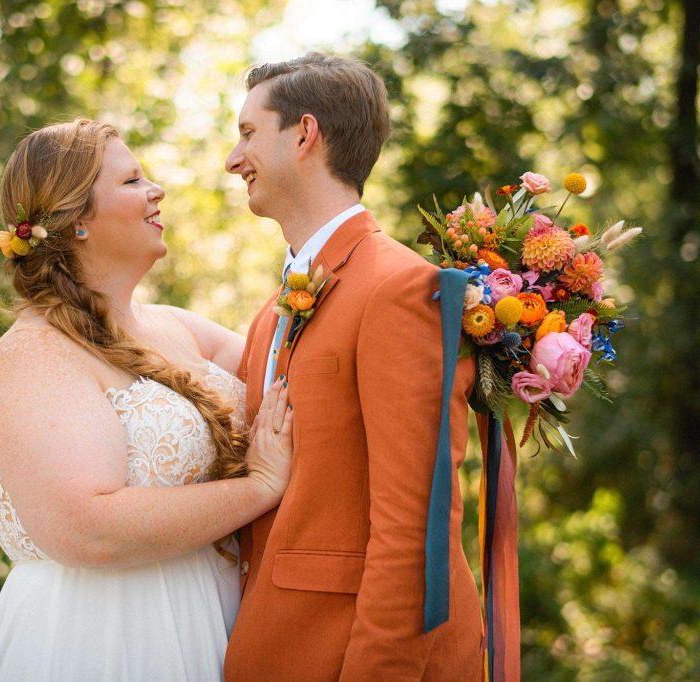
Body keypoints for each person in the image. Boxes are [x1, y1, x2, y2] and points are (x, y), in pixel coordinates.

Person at [0, 118, 293, 681]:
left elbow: (297, 372)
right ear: (77, 219)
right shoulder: (33, 356)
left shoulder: (175, 326)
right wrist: (259, 487)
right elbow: (87, 529)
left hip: (211, 615)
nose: (156, 190)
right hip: (103, 637)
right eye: (132, 181)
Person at [222, 52, 483, 680]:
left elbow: (414, 530)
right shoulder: (269, 314)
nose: (233, 159)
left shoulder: (400, 289)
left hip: (352, 656)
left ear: (304, 134)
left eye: (248, 133)